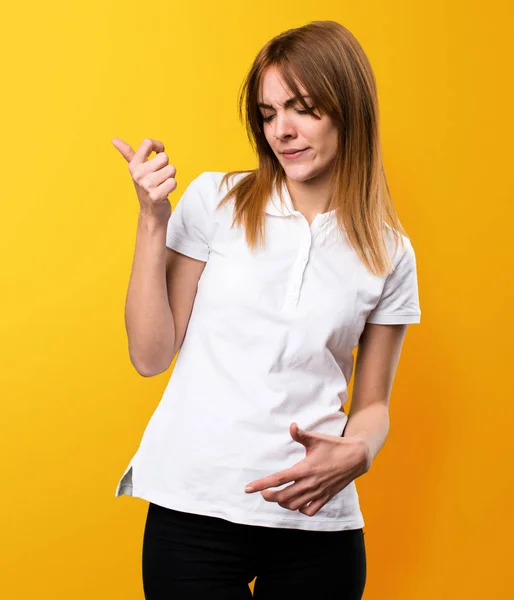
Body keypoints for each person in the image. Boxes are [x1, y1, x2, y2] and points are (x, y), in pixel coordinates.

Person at [111, 19, 421, 600]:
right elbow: (150, 356)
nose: (283, 130)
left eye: (303, 108)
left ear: (348, 109)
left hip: (316, 521)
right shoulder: (216, 200)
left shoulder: (389, 250)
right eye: (268, 113)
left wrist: (359, 452)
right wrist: (152, 221)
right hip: (196, 508)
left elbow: (374, 403)